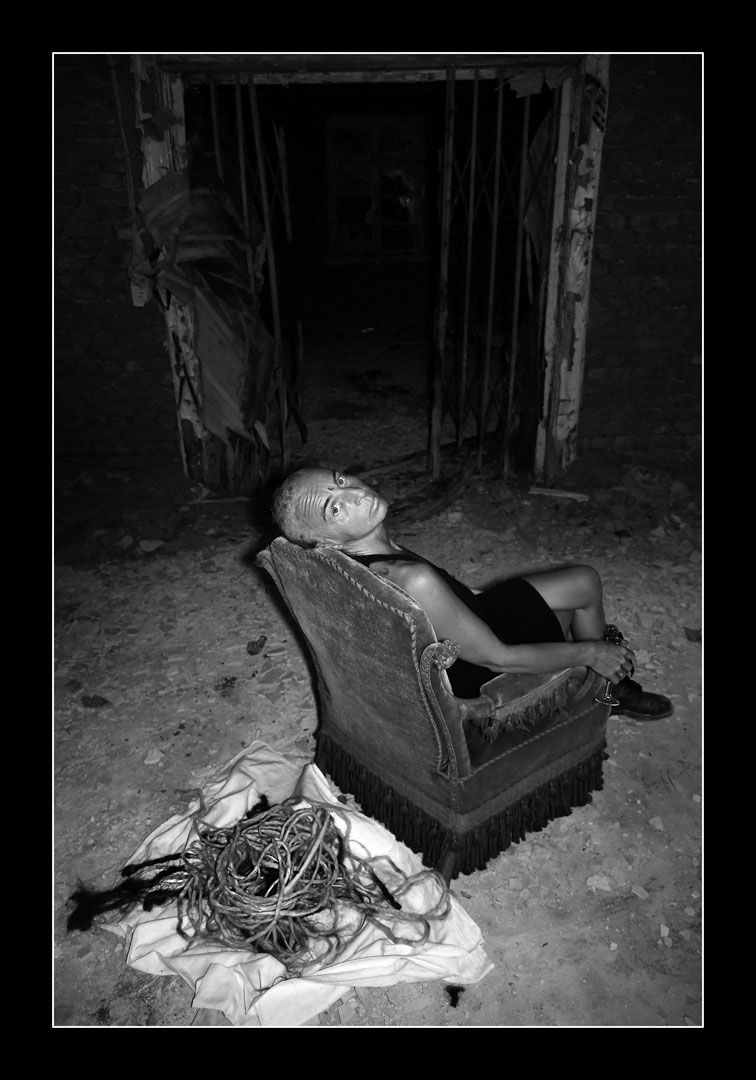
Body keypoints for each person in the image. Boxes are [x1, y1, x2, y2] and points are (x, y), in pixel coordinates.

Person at [271, 467, 673, 720]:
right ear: (327, 543)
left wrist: (476, 595)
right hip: (478, 667)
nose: (355, 494)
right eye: (334, 509)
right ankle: (604, 689)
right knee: (574, 609)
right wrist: (591, 652)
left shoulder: (372, 553)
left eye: (340, 481)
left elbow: (445, 600)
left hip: (468, 620)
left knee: (583, 580)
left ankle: (594, 680)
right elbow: (499, 657)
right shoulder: (410, 578)